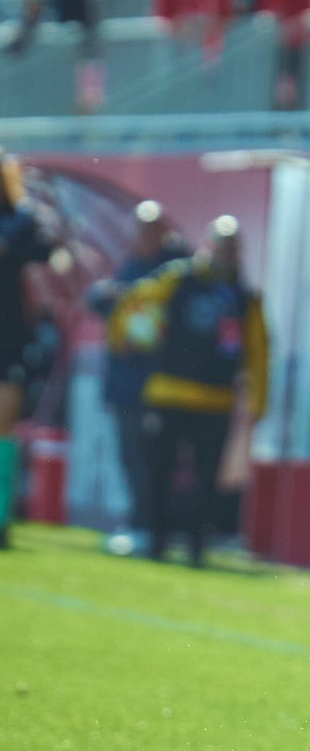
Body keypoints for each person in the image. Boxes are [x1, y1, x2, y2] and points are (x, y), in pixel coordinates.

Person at [111, 217, 268, 567]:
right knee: (158, 471)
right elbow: (138, 300)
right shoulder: (178, 277)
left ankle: (197, 546)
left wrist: (258, 400)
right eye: (221, 245)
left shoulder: (244, 296)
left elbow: (258, 350)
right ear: (209, 246)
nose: (227, 253)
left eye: (233, 247)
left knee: (206, 479)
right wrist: (127, 337)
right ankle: (157, 540)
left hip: (216, 400)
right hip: (169, 393)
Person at [88, 201, 183, 553]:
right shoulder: (130, 266)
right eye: (137, 228)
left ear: (162, 231)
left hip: (156, 385)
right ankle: (140, 524)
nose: (140, 236)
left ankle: (150, 528)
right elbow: (99, 299)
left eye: (149, 229)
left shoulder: (174, 270)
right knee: (130, 457)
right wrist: (107, 294)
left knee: (150, 460)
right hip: (124, 382)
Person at [0, 150, 56, 550]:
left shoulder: (19, 222)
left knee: (3, 432)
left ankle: (2, 518)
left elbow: (45, 248)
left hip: (7, 340)